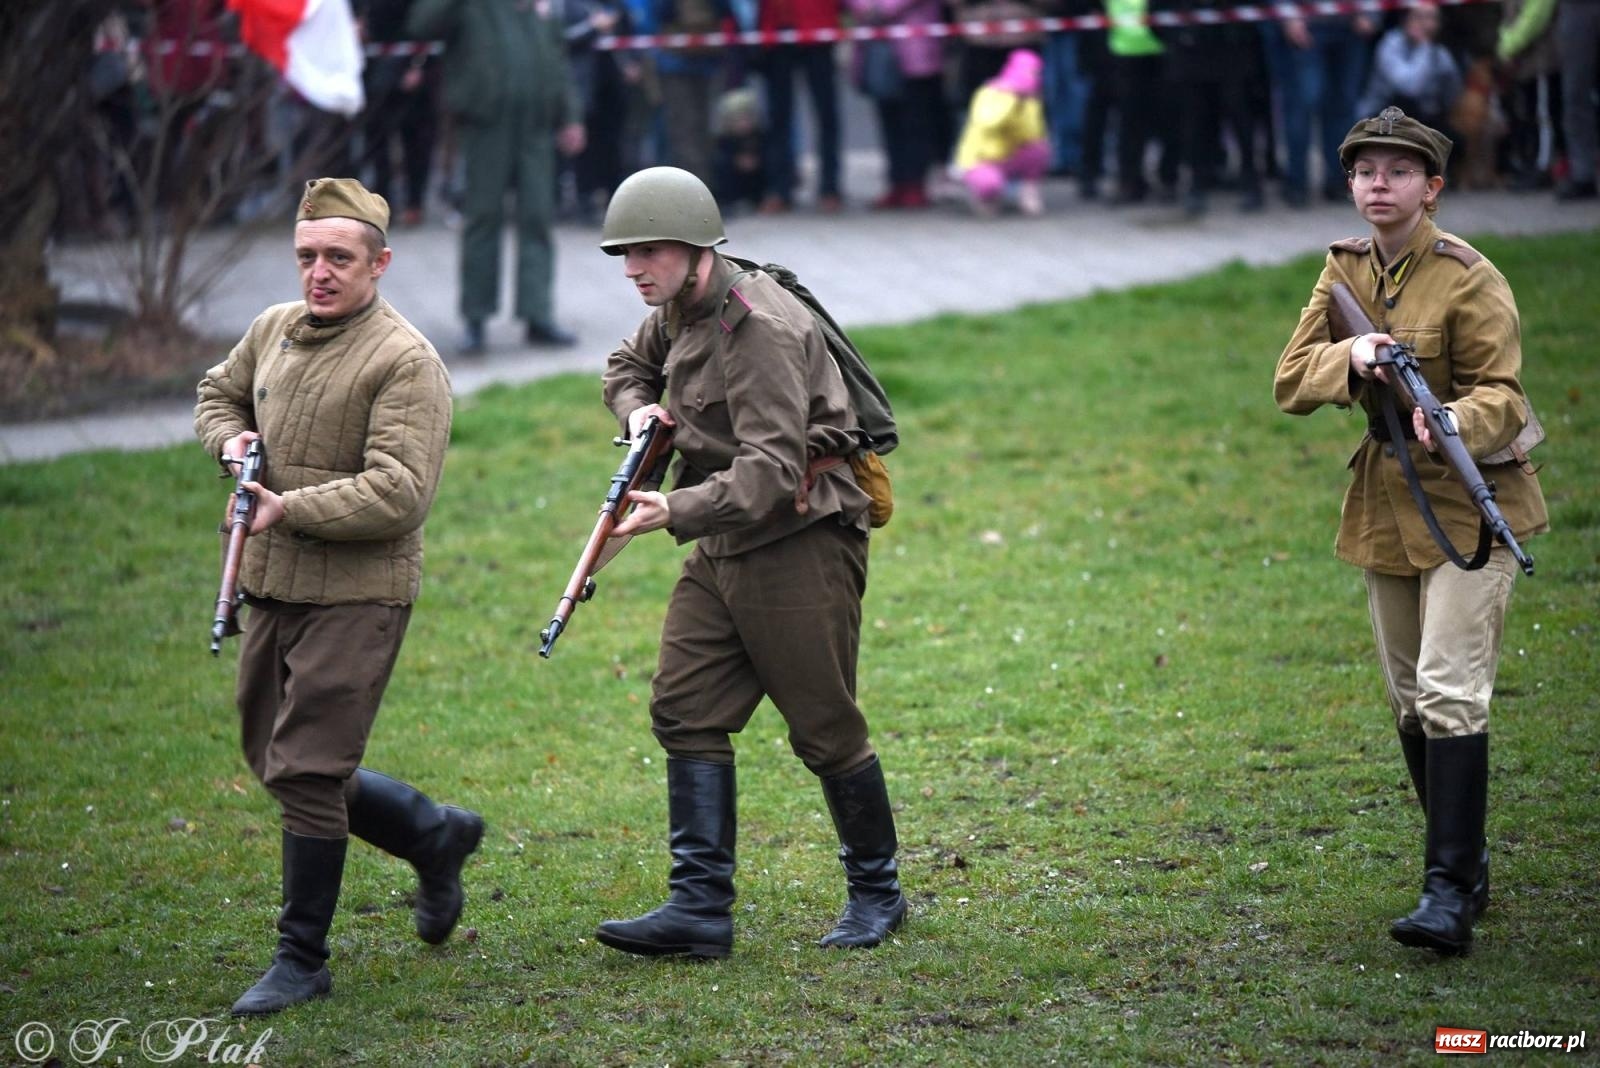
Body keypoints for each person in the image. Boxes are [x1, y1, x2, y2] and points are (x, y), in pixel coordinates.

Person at [592, 166, 908, 957]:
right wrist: (642, 413)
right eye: (626, 253)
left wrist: (674, 509)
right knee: (685, 706)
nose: (634, 269)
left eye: (649, 251)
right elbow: (624, 369)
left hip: (800, 537)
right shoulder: (678, 308)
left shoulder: (758, 325)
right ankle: (699, 910)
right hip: (725, 539)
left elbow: (770, 471)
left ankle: (879, 894)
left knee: (824, 726)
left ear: (697, 248)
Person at [195, 178, 482, 1014]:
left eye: (339, 258)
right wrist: (232, 442)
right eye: (307, 256)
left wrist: (288, 508)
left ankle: (302, 959)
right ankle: (434, 834)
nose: (318, 273)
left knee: (309, 767)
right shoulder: (272, 330)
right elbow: (217, 393)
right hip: (272, 583)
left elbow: (400, 491)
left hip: (360, 594)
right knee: (276, 759)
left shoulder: (405, 361)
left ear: (379, 264)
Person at [1273, 110, 1548, 954]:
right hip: (1386, 505)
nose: (1378, 185)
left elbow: (1505, 394)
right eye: (1365, 171)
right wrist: (1350, 359)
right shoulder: (1343, 269)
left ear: (1432, 188)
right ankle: (1466, 863)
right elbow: (1290, 380)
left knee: (1448, 690)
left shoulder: (1469, 276)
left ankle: (1448, 893)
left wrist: (1455, 418)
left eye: (1397, 172)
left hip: (1473, 505)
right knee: (1408, 700)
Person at [407, 0, 587, 353]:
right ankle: (475, 317)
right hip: (486, 125)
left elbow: (558, 62)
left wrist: (571, 116)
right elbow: (422, 24)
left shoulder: (541, 7)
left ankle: (537, 314)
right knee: (483, 218)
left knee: (538, 218)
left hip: (536, 127)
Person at [954, 49, 1050, 216]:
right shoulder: (988, 93)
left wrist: (1022, 106)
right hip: (982, 157)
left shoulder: (1031, 100)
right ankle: (984, 195)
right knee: (989, 184)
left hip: (1010, 154)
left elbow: (1033, 134)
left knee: (1039, 149)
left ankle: (1028, 193)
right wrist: (1010, 100)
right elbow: (989, 123)